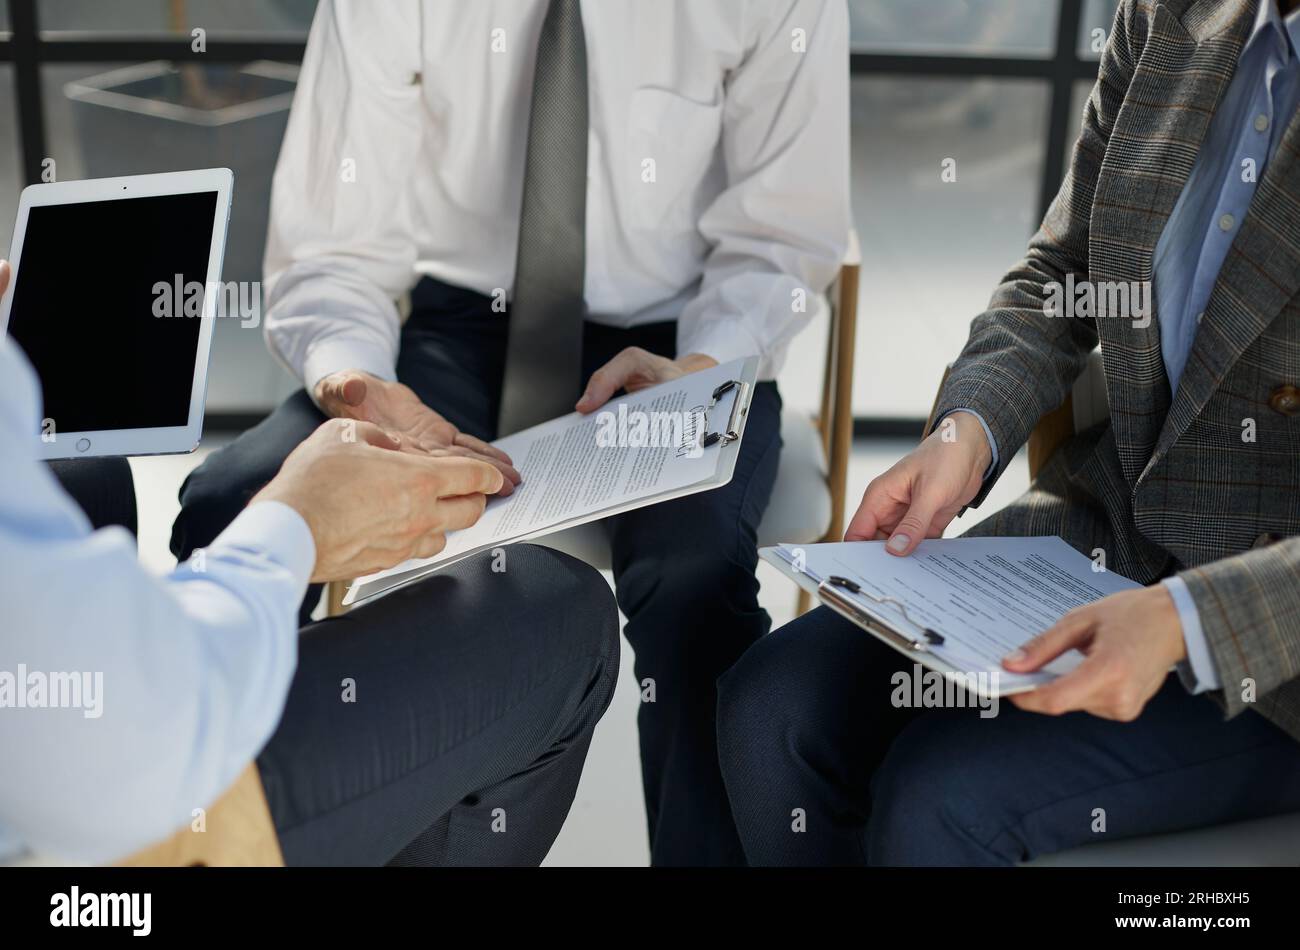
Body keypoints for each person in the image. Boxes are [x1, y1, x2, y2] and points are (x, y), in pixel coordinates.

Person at [169, 0, 850, 865]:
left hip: (682, 342)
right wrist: (357, 382)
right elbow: (334, 250)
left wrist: (707, 365)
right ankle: (215, 835)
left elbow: (781, 238)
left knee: (693, 571)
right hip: (458, 332)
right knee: (236, 500)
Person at [716, 0, 1300, 865]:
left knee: (939, 802)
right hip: (1110, 539)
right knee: (772, 707)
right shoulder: (1170, 14)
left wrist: (1186, 621)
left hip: (1268, 647)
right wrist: (968, 430)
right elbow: (1061, 271)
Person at [0, 255, 619, 866]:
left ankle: (322, 780)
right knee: (558, 606)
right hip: (114, 770)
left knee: (81, 473)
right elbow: (121, 717)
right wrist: (295, 524)